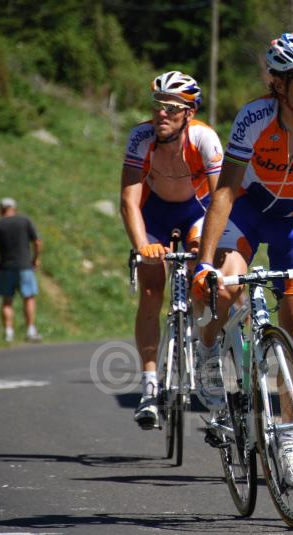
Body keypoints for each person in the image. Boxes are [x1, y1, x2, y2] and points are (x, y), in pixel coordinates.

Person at [192, 32, 293, 487]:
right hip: (248, 210)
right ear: (279, 85)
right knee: (225, 285)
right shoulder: (254, 118)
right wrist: (204, 262)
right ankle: (208, 352)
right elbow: (224, 190)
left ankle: (288, 439)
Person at [120, 71, 223, 429]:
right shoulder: (140, 138)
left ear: (189, 112)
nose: (162, 114)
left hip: (197, 211)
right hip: (155, 214)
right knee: (150, 292)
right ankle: (150, 387)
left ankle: (205, 350)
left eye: (172, 108)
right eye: (158, 106)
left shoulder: (205, 139)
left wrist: (205, 247)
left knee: (203, 279)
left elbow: (220, 199)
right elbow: (129, 201)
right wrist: (143, 245)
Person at [0, 197, 43, 343]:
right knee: (28, 298)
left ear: (0, 209)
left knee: (7, 301)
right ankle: (30, 329)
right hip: (25, 266)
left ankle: (8, 332)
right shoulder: (24, 221)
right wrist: (35, 258)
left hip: (5, 267)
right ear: (14, 208)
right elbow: (37, 242)